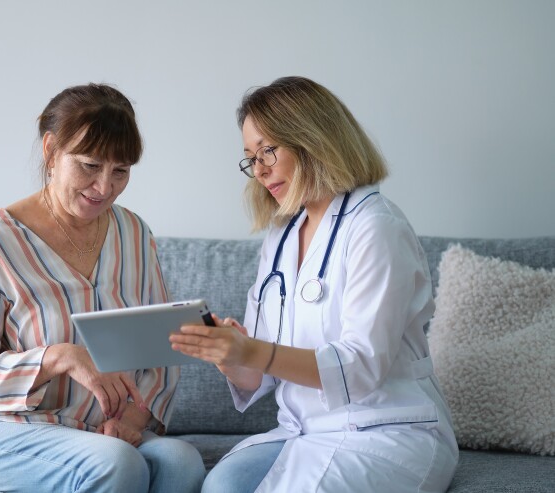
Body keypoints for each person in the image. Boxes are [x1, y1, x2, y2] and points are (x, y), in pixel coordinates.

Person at [170, 76, 458, 492]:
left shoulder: (376, 227)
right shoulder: (282, 235)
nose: (260, 169)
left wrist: (253, 350)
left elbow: (361, 366)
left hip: (386, 430)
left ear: (314, 139)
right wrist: (229, 354)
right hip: (304, 433)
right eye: (251, 157)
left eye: (269, 149)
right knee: (221, 486)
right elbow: (259, 376)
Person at [0, 83, 205, 493]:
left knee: (181, 462)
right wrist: (59, 357)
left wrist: (131, 421)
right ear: (50, 150)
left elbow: (160, 348)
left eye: (120, 171)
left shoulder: (134, 234)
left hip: (98, 431)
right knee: (116, 464)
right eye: (89, 165)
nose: (104, 187)